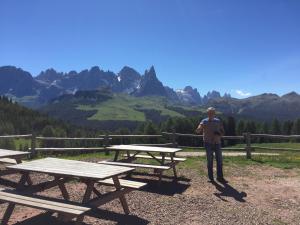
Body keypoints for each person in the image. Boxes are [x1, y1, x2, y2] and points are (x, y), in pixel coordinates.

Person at [195, 107, 227, 183]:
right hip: (208, 143)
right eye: (209, 113)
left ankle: (220, 177)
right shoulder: (204, 121)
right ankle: (211, 178)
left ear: (214, 113)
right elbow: (199, 128)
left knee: (219, 160)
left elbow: (223, 132)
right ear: (207, 113)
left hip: (217, 143)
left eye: (212, 113)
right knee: (209, 161)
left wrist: (219, 134)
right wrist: (198, 129)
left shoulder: (218, 121)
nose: (210, 114)